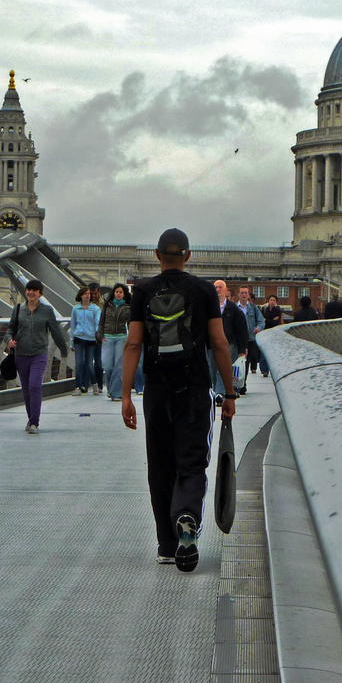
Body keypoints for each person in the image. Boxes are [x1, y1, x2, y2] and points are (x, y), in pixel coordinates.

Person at [123, 228, 237, 572]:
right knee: (191, 463)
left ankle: (166, 544)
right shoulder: (203, 290)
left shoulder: (142, 291)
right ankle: (186, 515)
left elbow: (132, 344)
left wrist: (126, 395)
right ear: (188, 257)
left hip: (156, 391)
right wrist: (229, 393)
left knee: (159, 466)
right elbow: (219, 343)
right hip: (194, 388)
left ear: (158, 256)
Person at [7, 279, 68, 433]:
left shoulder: (47, 311)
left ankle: (34, 422)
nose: (31, 292)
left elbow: (55, 330)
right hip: (21, 355)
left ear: (40, 293)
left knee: (35, 386)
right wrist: (9, 340)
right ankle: (31, 418)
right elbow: (10, 330)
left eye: (34, 290)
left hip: (39, 354)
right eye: (29, 289)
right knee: (26, 389)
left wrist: (63, 348)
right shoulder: (18, 309)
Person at [211, 280, 249, 400]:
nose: (218, 289)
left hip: (229, 344)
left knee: (221, 369)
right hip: (211, 344)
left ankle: (219, 393)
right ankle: (215, 390)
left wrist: (242, 348)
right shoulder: (209, 307)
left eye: (220, 287)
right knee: (212, 369)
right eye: (216, 287)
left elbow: (241, 329)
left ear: (225, 290)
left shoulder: (233, 309)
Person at [98, 282, 132, 403]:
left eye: (120, 292)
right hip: (108, 337)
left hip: (121, 337)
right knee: (107, 365)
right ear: (114, 293)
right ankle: (110, 388)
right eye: (117, 292)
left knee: (119, 366)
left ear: (124, 294)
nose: (118, 294)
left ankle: (117, 393)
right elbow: (101, 322)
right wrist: (100, 336)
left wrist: (130, 337)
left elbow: (130, 324)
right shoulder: (107, 306)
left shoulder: (127, 307)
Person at [70, 287, 102, 394]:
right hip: (78, 338)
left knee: (89, 363)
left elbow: (97, 323)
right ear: (80, 296)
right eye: (85, 293)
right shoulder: (75, 309)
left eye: (89, 293)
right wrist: (71, 342)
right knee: (79, 363)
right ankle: (77, 387)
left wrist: (97, 335)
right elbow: (73, 324)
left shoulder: (95, 309)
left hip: (90, 339)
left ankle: (94, 384)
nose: (87, 295)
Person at [235, 287, 264, 394]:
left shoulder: (253, 308)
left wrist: (259, 328)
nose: (243, 295)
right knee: (238, 362)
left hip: (250, 339)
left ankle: (243, 384)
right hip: (238, 339)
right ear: (238, 294)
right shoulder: (234, 308)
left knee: (246, 363)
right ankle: (238, 385)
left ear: (248, 295)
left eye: (245, 293)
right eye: (242, 293)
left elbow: (261, 321)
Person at [258, 294, 284, 377]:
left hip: (274, 332)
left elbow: (276, 322)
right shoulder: (264, 310)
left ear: (276, 302)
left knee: (273, 351)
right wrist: (271, 320)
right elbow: (262, 320)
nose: (272, 302)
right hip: (265, 332)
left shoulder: (278, 311)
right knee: (264, 351)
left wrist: (268, 320)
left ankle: (273, 370)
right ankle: (264, 370)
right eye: (271, 300)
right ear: (268, 301)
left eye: (274, 300)